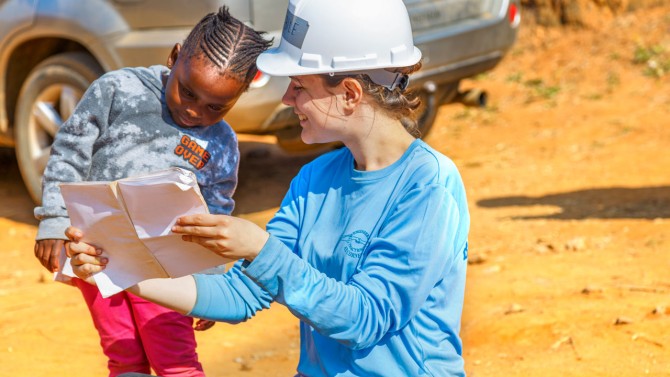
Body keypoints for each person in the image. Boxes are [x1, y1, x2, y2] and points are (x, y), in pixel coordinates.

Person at [67, 0, 471, 375]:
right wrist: (121, 272)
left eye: (300, 86)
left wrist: (261, 249)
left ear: (349, 94)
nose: (287, 97)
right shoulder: (315, 178)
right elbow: (241, 294)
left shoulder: (427, 187)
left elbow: (364, 320)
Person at [33, 6, 272, 377]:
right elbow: (68, 150)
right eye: (188, 92)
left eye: (216, 107)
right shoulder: (117, 90)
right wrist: (53, 220)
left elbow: (216, 212)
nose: (195, 112)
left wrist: (209, 284)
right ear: (174, 57)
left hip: (168, 270)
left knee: (176, 360)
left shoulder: (222, 142)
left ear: (238, 96)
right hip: (97, 255)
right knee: (122, 350)